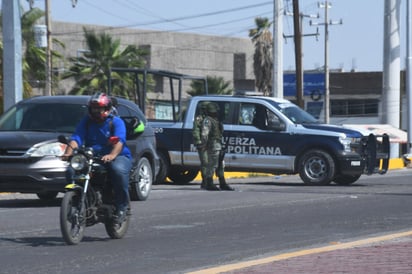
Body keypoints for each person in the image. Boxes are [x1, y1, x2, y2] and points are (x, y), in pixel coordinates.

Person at [63, 92, 132, 223]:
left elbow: (120, 141)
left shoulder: (116, 122)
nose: (96, 111)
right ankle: (79, 202)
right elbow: (76, 137)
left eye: (99, 108)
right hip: (92, 156)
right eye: (93, 108)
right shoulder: (87, 122)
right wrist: (68, 153)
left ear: (106, 109)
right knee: (71, 171)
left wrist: (112, 155)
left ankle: (122, 207)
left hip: (118, 156)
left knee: (117, 171)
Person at [200, 102, 234, 191]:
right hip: (213, 145)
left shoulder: (215, 120)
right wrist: (204, 145)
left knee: (220, 164)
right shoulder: (208, 120)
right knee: (213, 164)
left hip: (218, 144)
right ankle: (209, 183)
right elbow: (204, 134)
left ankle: (222, 183)